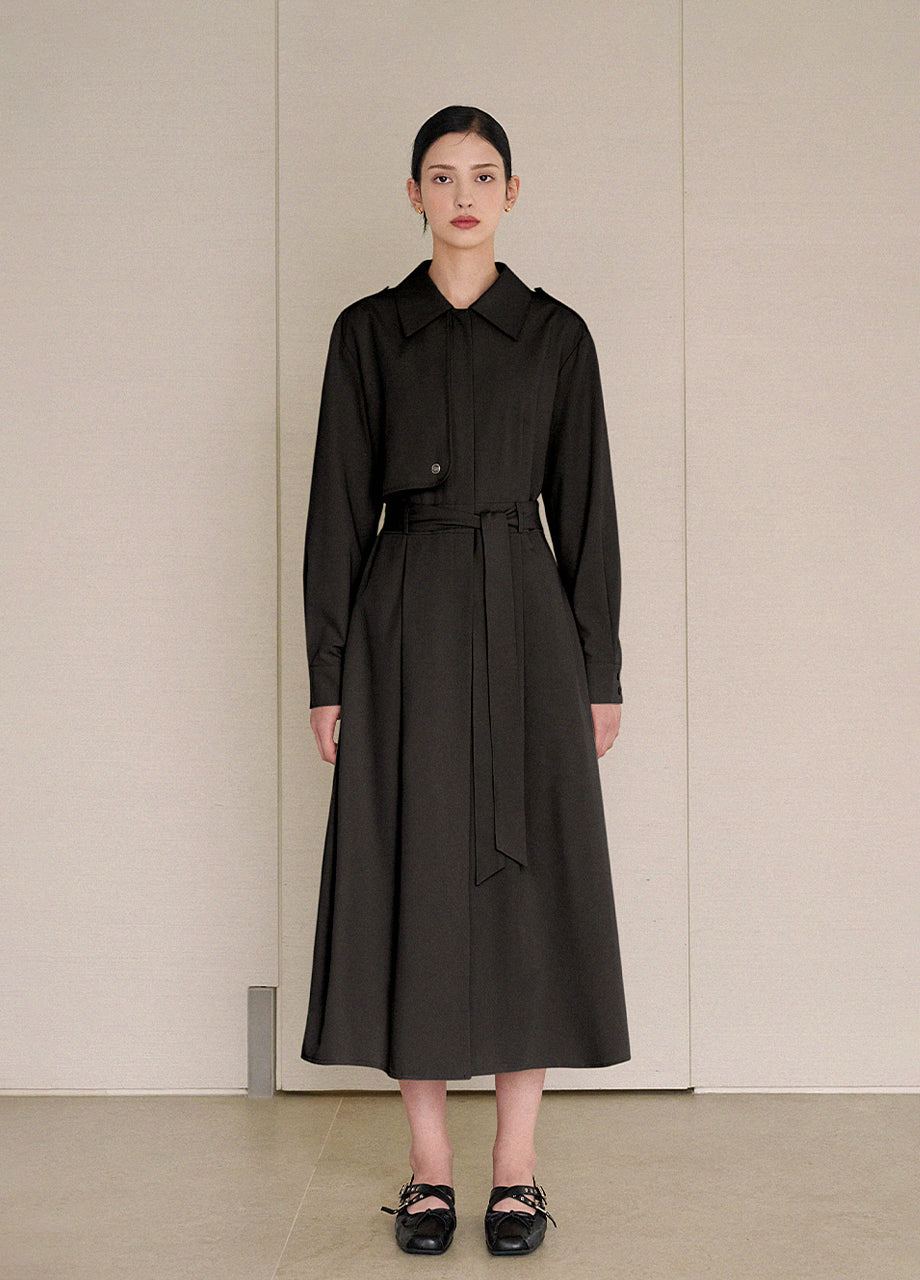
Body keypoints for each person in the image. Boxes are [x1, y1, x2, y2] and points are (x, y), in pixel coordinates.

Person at [301, 105, 630, 1257]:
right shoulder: (367, 333)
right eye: (440, 177)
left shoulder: (554, 336)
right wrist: (328, 672)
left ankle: (516, 1169)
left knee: (527, 885)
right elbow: (334, 509)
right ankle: (429, 1169)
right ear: (413, 195)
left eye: (482, 176)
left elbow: (584, 510)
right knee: (415, 878)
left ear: (511, 192)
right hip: (401, 623)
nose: (462, 195)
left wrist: (597, 668)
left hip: (527, 625)